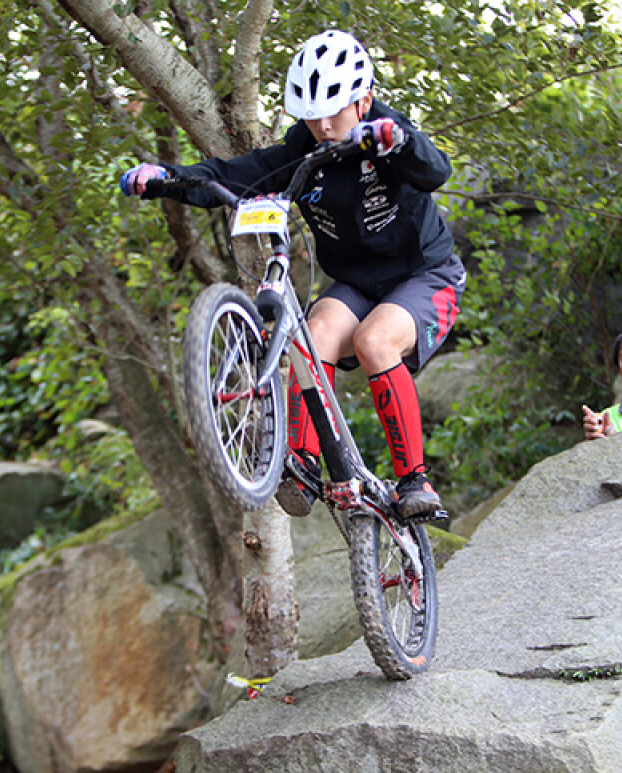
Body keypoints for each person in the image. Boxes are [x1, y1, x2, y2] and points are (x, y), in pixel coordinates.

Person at [122, 29, 465, 520]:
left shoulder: (387, 130)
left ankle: (415, 480)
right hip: (357, 284)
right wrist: (166, 179)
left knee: (374, 340)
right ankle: (301, 464)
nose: (325, 126)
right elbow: (236, 174)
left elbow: (436, 170)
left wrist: (398, 143)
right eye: (313, 116)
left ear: (364, 99)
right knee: (313, 334)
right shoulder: (302, 148)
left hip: (426, 276)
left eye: (336, 112)